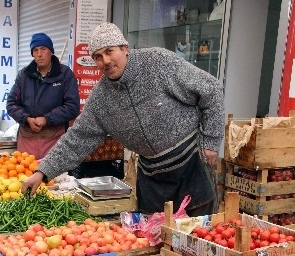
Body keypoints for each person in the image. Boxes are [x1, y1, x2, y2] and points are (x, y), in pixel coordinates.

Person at [22, 22, 225, 217]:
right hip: (152, 176)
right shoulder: (101, 97)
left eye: (110, 51)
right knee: (156, 241)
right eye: (98, 57)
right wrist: (43, 172)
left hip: (191, 165)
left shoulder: (158, 62)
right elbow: (77, 139)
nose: (106, 61)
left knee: (200, 235)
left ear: (125, 48)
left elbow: (211, 89)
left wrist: (211, 142)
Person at [6, 33, 80, 160]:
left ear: (51, 51)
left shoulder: (65, 74)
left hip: (55, 140)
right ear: (32, 54)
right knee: (25, 175)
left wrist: (47, 119)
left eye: (43, 49)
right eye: (35, 50)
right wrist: (27, 118)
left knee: (54, 178)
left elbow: (72, 106)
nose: (39, 54)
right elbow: (11, 104)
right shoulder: (24, 75)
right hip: (27, 139)